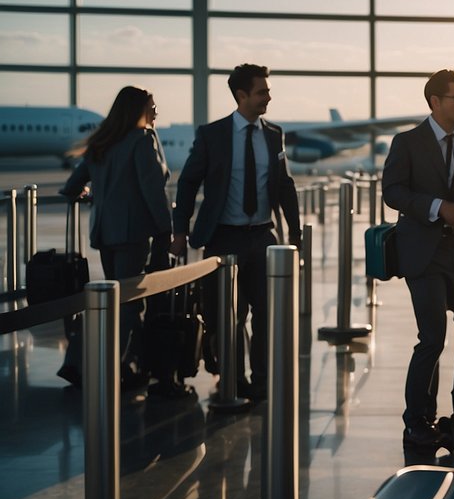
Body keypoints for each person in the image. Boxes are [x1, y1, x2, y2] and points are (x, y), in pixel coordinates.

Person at [170, 64, 301, 401]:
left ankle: (260, 380)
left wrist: (296, 235)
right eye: (262, 91)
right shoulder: (212, 134)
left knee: (266, 313)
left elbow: (284, 186)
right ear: (242, 95)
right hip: (223, 238)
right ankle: (232, 378)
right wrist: (180, 230)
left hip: (261, 236)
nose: (268, 96)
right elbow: (188, 182)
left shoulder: (273, 135)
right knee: (228, 315)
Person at [382, 69, 454, 455]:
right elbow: (393, 192)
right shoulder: (408, 142)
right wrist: (437, 207)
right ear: (435, 102)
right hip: (421, 252)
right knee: (432, 337)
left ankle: (447, 422)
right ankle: (417, 422)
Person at [59, 86, 172, 390]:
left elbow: (72, 185)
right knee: (128, 303)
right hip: (134, 234)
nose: (157, 109)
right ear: (138, 110)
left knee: (109, 300)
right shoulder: (142, 140)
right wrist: (167, 230)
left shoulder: (103, 142)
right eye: (152, 105)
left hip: (104, 233)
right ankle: (108, 369)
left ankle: (83, 362)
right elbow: (153, 191)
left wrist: (84, 193)